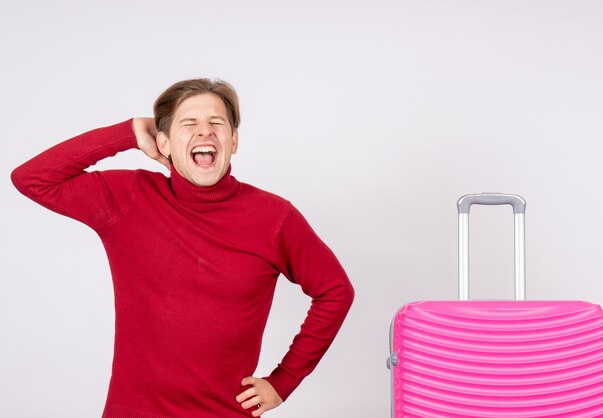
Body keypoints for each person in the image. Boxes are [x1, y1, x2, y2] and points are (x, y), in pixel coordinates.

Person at [11, 78, 354, 417]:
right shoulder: (129, 198)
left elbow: (335, 290)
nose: (204, 131)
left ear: (233, 140)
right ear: (164, 143)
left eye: (216, 123)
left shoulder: (275, 217)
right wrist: (129, 132)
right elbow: (31, 179)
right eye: (189, 123)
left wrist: (284, 381)